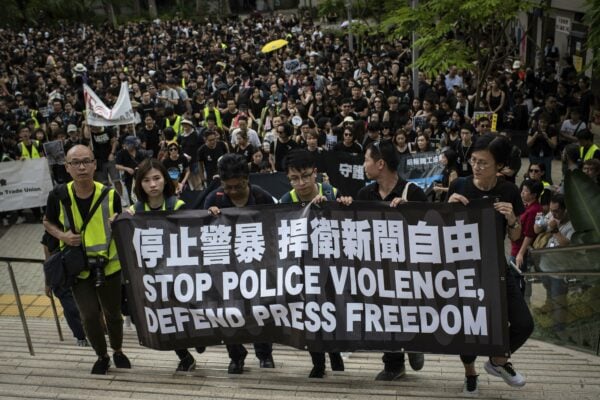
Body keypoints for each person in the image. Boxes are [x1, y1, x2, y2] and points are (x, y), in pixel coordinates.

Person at [447, 134, 534, 394]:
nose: (477, 166)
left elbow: (516, 236)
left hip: (497, 268)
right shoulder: (459, 186)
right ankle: (470, 373)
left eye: (484, 163)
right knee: (469, 326)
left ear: (500, 166)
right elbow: (437, 230)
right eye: (474, 160)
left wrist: (511, 219)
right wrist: (447, 208)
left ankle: (498, 360)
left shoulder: (508, 190)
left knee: (523, 323)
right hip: (463, 270)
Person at [42, 145, 131, 375]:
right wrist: (63, 236)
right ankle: (101, 355)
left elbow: (120, 226)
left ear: (94, 164)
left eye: (86, 161)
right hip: (77, 268)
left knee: (113, 314)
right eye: (75, 163)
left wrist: (121, 219)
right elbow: (47, 222)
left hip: (109, 266)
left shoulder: (110, 194)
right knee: (89, 315)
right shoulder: (59, 194)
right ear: (67, 167)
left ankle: (118, 349)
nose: (81, 167)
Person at [353, 140, 427, 381]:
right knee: (386, 312)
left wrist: (411, 211)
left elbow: (432, 228)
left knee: (407, 311)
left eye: (367, 160)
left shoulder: (413, 192)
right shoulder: (365, 194)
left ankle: (414, 342)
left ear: (380, 164)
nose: (364, 165)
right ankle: (393, 364)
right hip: (378, 266)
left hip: (409, 267)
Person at [128, 159, 206, 371]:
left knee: (185, 312)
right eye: (146, 180)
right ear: (139, 184)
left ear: (165, 179)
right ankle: (185, 357)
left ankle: (198, 337)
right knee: (164, 319)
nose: (152, 184)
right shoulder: (134, 211)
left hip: (179, 273)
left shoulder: (177, 206)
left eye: (157, 178)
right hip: (152, 276)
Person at [204, 154, 275, 374]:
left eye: (239, 186)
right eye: (228, 187)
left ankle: (264, 353)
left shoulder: (262, 197)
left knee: (260, 309)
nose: (233, 191)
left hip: (257, 264)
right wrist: (209, 216)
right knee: (228, 311)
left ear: (248, 179)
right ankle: (236, 355)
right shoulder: (213, 199)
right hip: (226, 268)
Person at [278, 149, 346, 378]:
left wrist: (341, 205)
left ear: (315, 173)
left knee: (334, 312)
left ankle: (335, 352)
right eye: (294, 178)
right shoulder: (286, 201)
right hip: (302, 269)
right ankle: (318, 362)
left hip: (332, 266)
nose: (301, 183)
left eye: (306, 176)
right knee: (310, 314)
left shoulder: (333, 192)